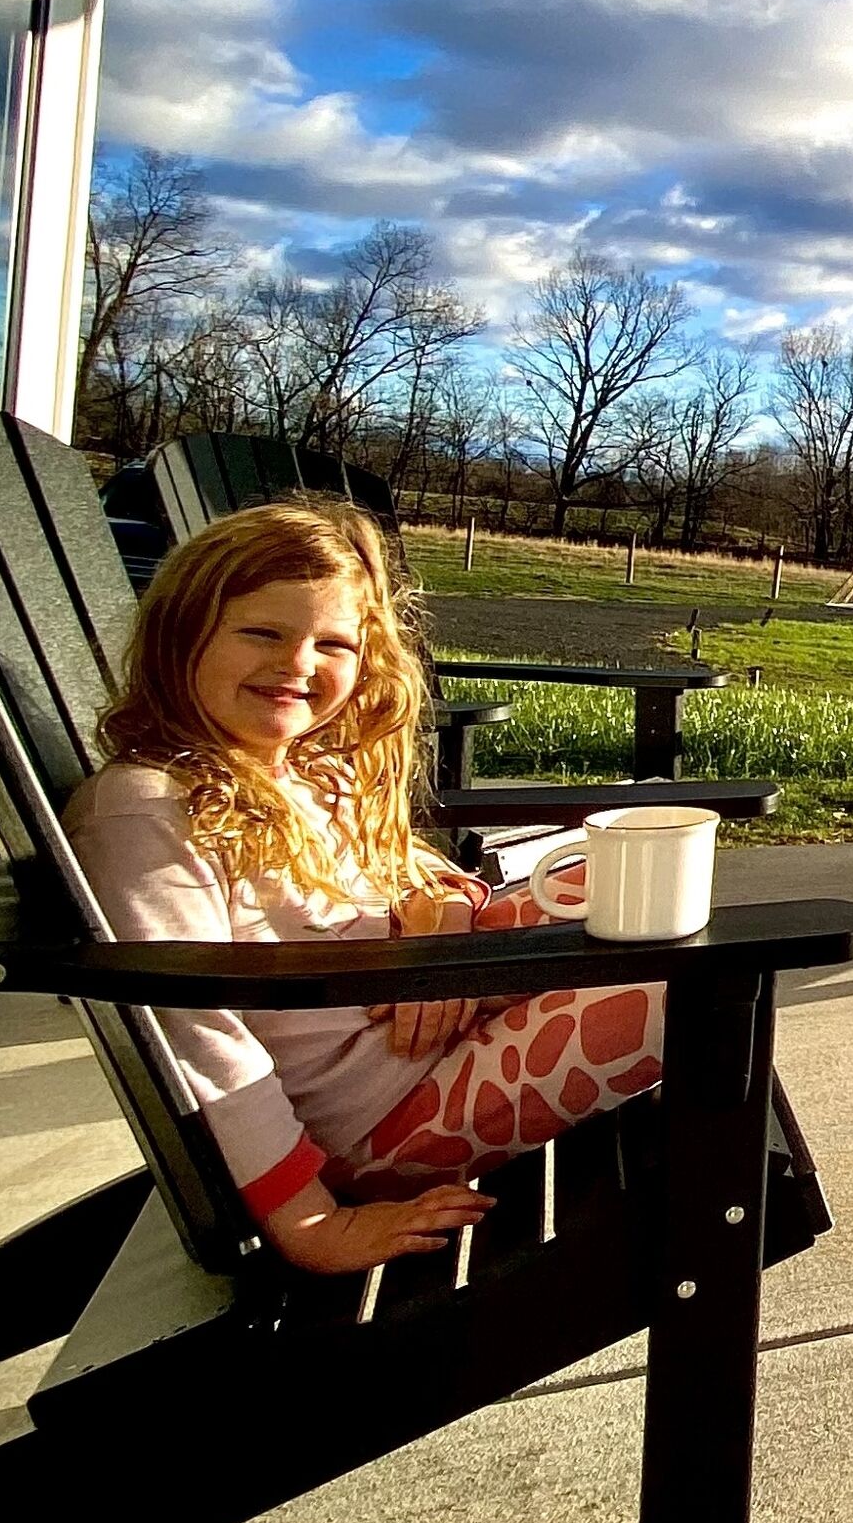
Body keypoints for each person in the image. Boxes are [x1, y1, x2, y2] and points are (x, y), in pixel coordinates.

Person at [64, 499, 668, 1275]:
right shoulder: (149, 811)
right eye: (263, 633)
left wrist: (438, 925)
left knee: (627, 880)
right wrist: (312, 1222)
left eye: (333, 643)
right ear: (181, 633)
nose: (298, 665)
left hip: (422, 1016)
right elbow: (195, 1040)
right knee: (679, 988)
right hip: (373, 1124)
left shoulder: (312, 770)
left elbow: (414, 874)